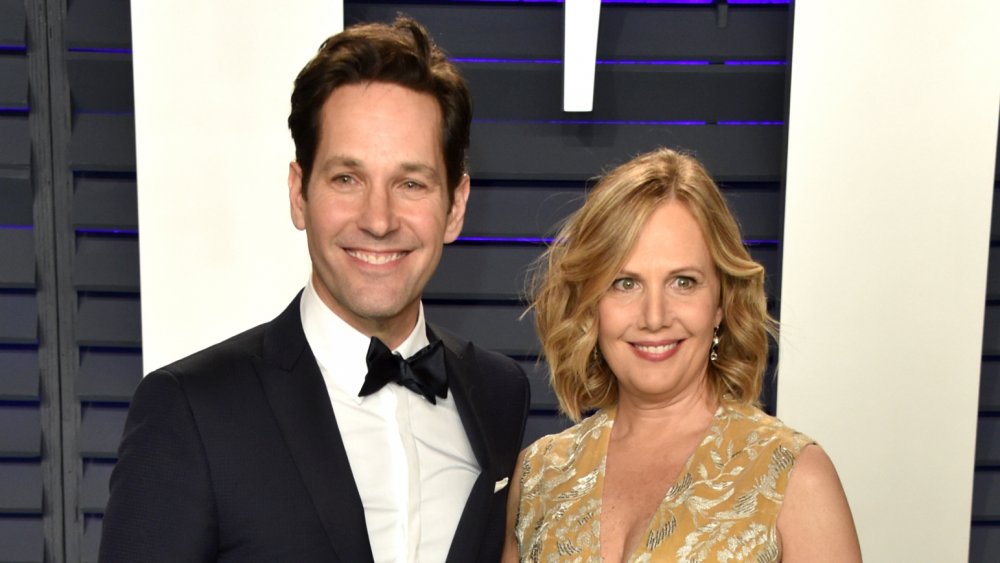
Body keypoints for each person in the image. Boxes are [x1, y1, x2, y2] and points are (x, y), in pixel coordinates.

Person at [99, 17, 530, 563]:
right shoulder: (190, 411)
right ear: (299, 194)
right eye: (346, 178)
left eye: (411, 183)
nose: (379, 219)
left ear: (456, 206)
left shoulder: (498, 393)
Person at [502, 148, 860, 562]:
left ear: (722, 302)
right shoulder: (538, 476)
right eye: (625, 283)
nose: (654, 317)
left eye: (683, 282)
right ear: (590, 301)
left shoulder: (796, 478)